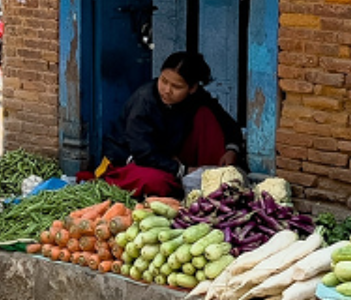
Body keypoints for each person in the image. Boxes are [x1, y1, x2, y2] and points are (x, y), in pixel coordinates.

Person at [101, 51, 246, 199]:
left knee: (206, 114)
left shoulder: (198, 97)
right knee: (159, 183)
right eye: (163, 81)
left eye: (176, 87)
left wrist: (231, 149)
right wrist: (182, 170)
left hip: (172, 157)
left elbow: (227, 123)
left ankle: (215, 179)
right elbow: (142, 152)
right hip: (133, 160)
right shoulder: (144, 100)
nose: (167, 90)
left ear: (192, 88)